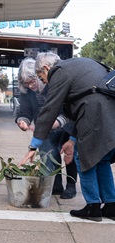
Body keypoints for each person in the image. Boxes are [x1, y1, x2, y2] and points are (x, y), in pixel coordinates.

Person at [19, 52, 115, 222]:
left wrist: (34, 145)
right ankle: (111, 206)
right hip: (110, 110)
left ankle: (93, 207)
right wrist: (72, 138)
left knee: (83, 157)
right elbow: (77, 107)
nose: (44, 82)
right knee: (102, 159)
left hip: (95, 111)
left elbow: (49, 110)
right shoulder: (80, 64)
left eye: (41, 77)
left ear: (47, 68)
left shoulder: (59, 72)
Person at [16, 58, 77, 199]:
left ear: (39, 76)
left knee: (69, 153)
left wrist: (56, 122)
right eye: (26, 83)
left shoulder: (54, 84)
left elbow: (66, 109)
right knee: (48, 152)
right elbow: (24, 112)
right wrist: (22, 121)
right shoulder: (27, 92)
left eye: (32, 81)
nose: (30, 86)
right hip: (46, 127)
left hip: (65, 123)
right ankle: (55, 185)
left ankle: (71, 185)